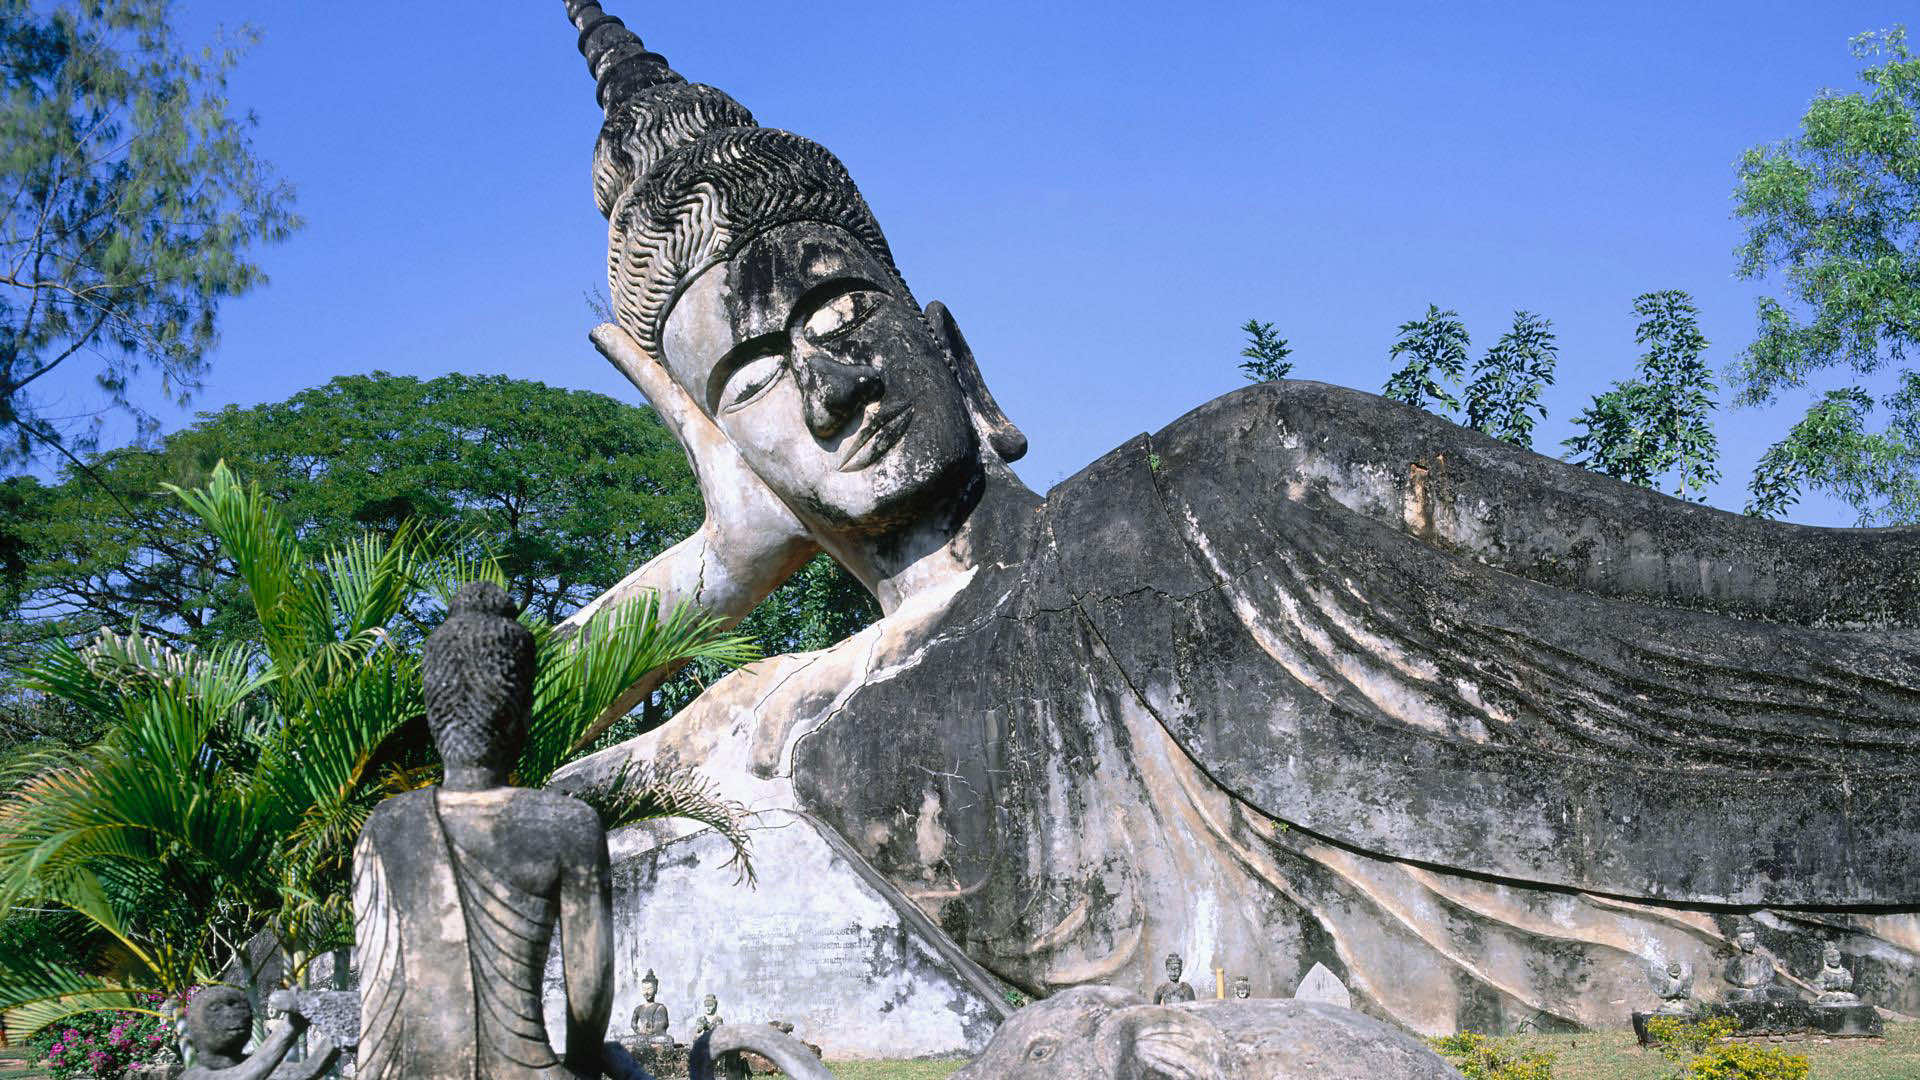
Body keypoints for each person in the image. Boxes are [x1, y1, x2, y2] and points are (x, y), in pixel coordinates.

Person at [552, 1, 1920, 1031]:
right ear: (733, 447)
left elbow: (1771, 593)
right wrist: (722, 562)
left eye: (846, 310)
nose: (835, 381)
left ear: (955, 356)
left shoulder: (1241, 463)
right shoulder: (798, 724)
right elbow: (466, 774)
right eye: (758, 376)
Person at [354, 583, 615, 1078]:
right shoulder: (566, 823)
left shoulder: (385, 826)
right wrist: (581, 1068)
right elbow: (590, 988)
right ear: (518, 716)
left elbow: (378, 996)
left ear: (435, 715)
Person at [178, 987, 336, 1080]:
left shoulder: (261, 1065)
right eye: (216, 1009)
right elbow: (243, 1076)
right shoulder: (193, 1076)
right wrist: (291, 1026)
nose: (232, 1015)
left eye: (239, 1007)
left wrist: (337, 1032)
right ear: (194, 1027)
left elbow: (307, 1070)